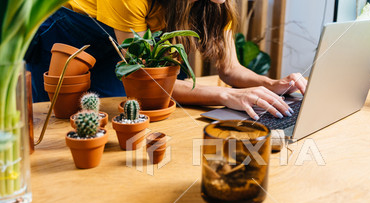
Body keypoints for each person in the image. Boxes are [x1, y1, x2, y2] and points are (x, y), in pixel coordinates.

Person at [26, 0, 307, 120]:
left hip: (124, 40)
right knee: (67, 123)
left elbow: (231, 68)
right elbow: (145, 82)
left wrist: (273, 84)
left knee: (129, 120)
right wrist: (225, 95)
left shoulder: (217, 3)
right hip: (70, 33)